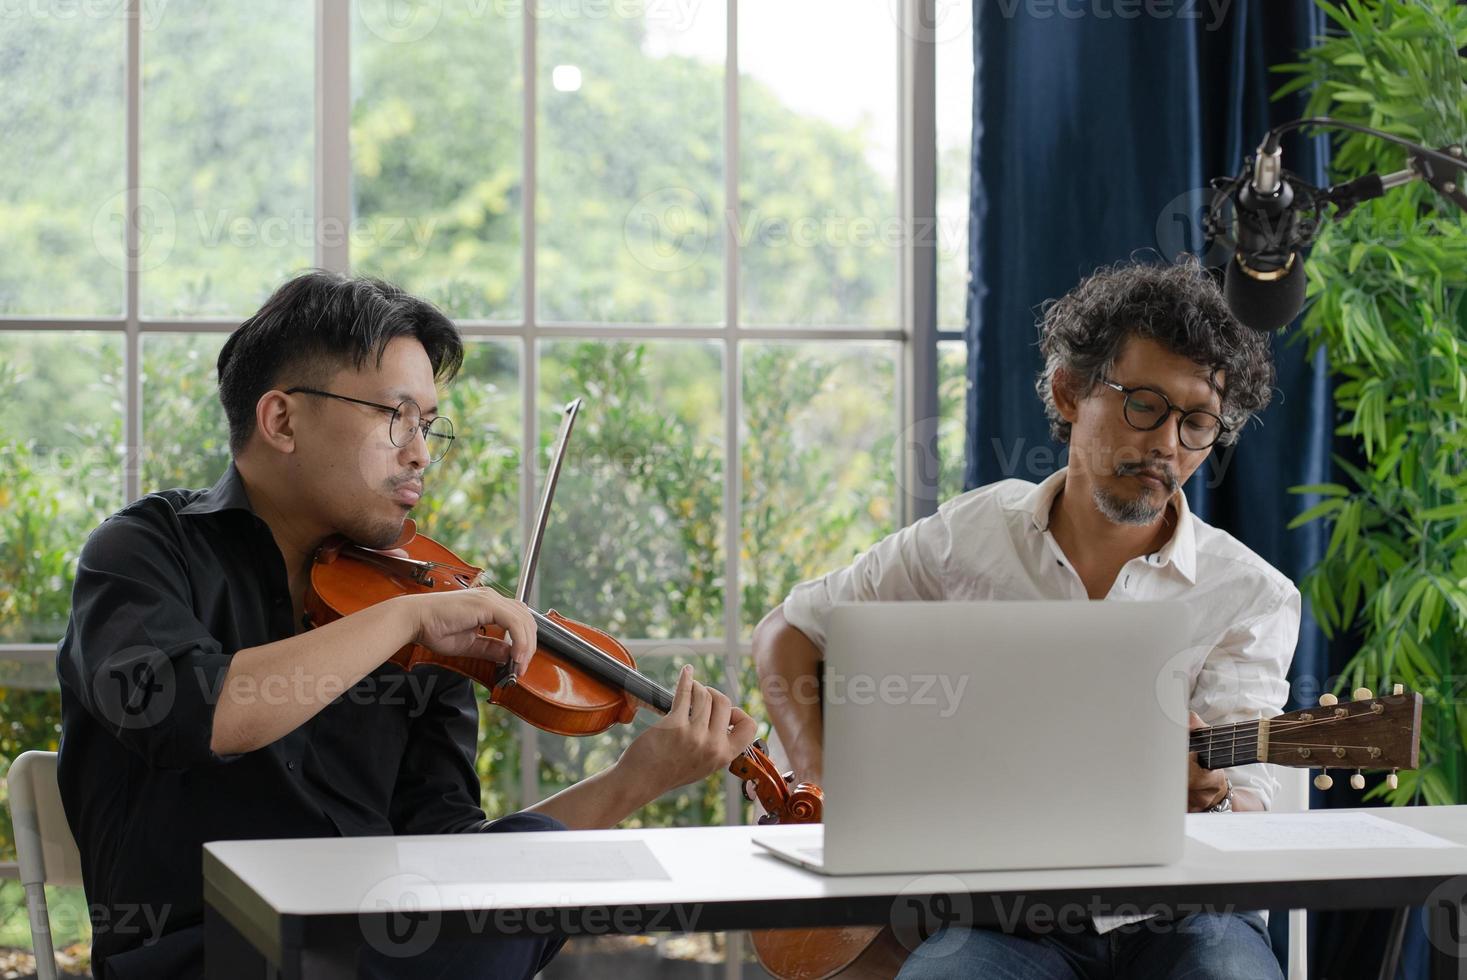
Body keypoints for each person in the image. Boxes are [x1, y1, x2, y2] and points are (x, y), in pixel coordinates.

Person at [56, 271, 758, 979]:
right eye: (395, 416)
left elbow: (448, 862)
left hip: (376, 954)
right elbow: (194, 715)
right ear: (282, 420)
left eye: (426, 424)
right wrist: (404, 618)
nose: (419, 452)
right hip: (203, 958)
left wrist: (632, 780)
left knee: (494, 903)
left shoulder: (418, 612)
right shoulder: (142, 552)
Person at [752, 257, 1298, 980]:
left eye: (1196, 422)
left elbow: (1253, 807)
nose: (1167, 444)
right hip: (1002, 922)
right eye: (1143, 404)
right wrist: (823, 790)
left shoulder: (1250, 593)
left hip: (1189, 917)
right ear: (1070, 392)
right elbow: (786, 633)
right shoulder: (972, 535)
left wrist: (1214, 796)